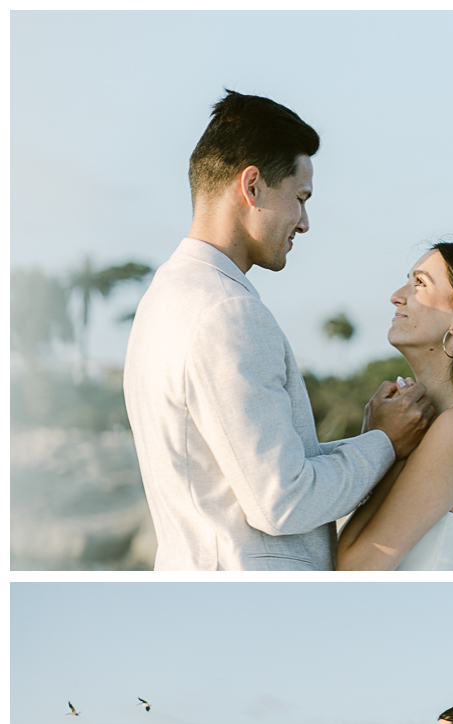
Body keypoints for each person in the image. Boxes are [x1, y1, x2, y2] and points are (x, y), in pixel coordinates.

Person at [124, 92, 432, 570]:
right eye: (301, 198)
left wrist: (369, 436)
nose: (305, 223)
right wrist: (384, 445)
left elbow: (240, 473)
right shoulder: (227, 312)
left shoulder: (164, 299)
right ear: (252, 186)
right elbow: (282, 500)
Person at [336, 244, 453, 570]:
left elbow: (351, 567)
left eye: (419, 284)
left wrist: (384, 445)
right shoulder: (445, 423)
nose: (397, 296)